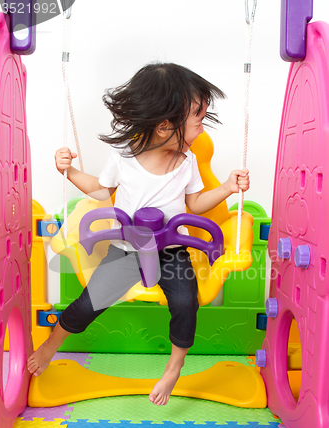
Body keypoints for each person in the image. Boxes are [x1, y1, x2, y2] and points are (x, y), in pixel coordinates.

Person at [27, 63, 250, 405]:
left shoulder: (187, 161)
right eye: (197, 119)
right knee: (88, 304)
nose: (201, 128)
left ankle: (174, 368)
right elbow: (100, 191)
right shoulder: (124, 157)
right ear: (164, 126)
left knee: (185, 302)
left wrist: (226, 188)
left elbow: (195, 203)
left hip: (172, 249)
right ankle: (50, 346)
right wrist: (69, 170)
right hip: (126, 249)